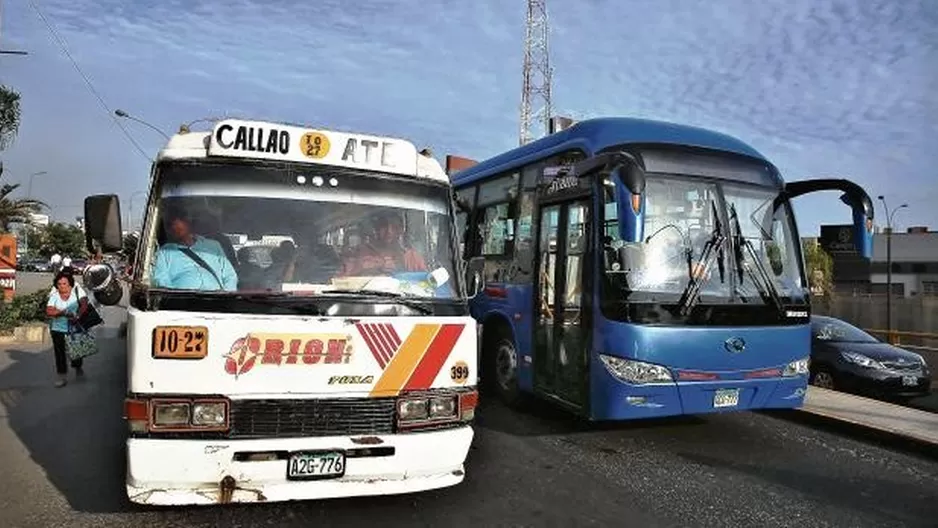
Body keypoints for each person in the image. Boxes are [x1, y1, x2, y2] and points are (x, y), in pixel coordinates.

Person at [151, 205, 238, 291]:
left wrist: (225, 297)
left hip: (217, 300)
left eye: (175, 223)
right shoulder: (163, 253)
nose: (172, 228)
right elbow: (160, 281)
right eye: (169, 225)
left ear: (187, 222)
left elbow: (230, 276)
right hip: (182, 301)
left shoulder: (214, 246)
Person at [341, 211, 426, 276]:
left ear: (401, 230)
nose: (389, 231)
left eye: (395, 227)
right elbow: (339, 281)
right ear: (376, 228)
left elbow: (428, 283)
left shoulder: (412, 257)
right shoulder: (360, 253)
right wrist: (363, 267)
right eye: (384, 226)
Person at [45, 270, 90, 387]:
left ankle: (78, 366)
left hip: (73, 328)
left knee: (75, 351)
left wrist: (77, 316)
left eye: (64, 283)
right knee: (59, 353)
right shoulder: (54, 295)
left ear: (70, 283)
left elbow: (84, 304)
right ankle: (62, 376)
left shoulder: (77, 291)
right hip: (57, 328)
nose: (62, 286)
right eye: (59, 284)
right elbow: (49, 310)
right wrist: (62, 313)